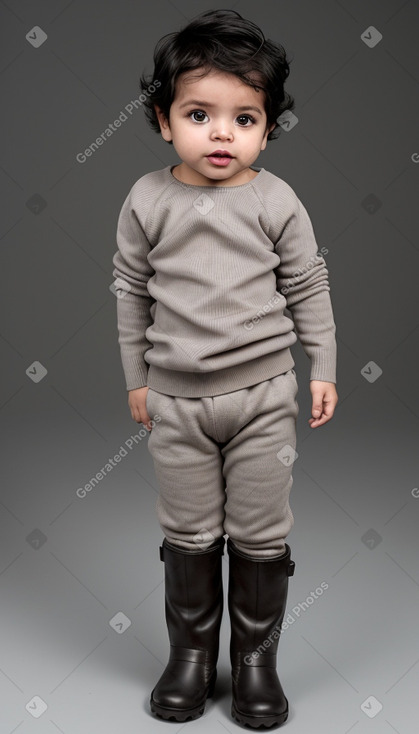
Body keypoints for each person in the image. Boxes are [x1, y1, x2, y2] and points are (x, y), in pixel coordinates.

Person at [112, 8, 338, 729]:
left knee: (261, 531)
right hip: (176, 401)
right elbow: (131, 291)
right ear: (162, 119)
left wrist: (324, 364)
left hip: (263, 397)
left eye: (245, 119)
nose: (221, 133)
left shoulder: (275, 200)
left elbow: (307, 284)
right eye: (199, 113)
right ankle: (189, 656)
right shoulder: (148, 199)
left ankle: (254, 664)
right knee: (187, 529)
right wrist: (136, 379)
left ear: (267, 129)